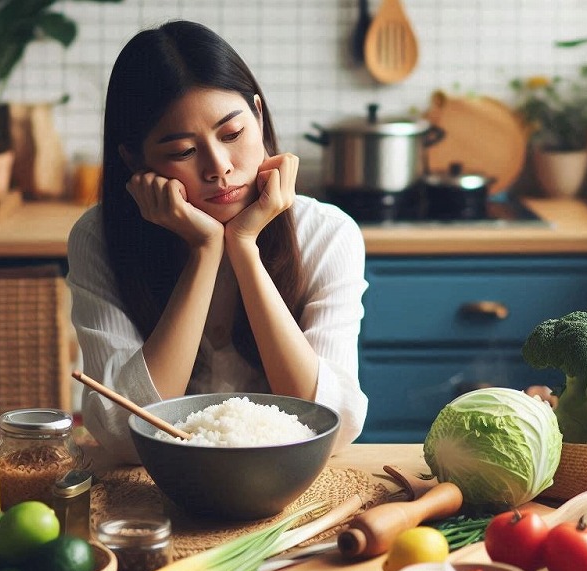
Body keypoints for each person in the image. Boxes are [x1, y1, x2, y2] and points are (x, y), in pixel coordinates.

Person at [66, 20, 368, 463]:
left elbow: (334, 424)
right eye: (183, 152)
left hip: (287, 487)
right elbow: (123, 435)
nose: (219, 167)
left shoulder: (327, 233)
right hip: (158, 491)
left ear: (259, 116)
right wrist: (205, 252)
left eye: (232, 134)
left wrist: (244, 246)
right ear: (133, 158)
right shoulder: (99, 237)